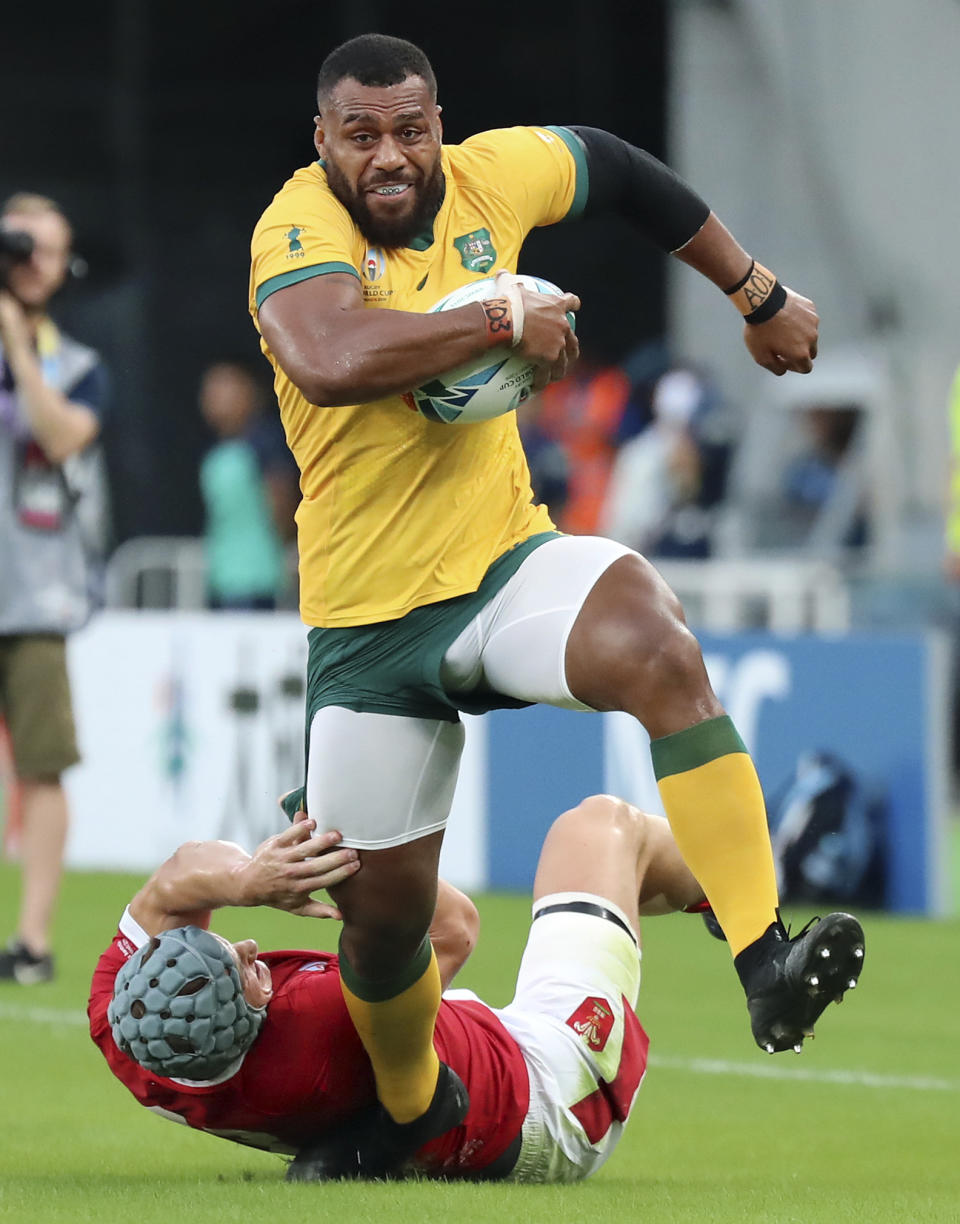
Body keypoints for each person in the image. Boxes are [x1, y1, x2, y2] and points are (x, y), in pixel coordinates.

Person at [248, 32, 857, 1165]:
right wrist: (494, 321)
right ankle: (406, 1113)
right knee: (385, 936)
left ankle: (766, 956)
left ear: (441, 124)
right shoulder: (297, 227)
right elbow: (328, 354)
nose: (391, 156)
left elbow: (622, 168)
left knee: (658, 647)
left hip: (502, 568)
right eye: (363, 135)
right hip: (370, 624)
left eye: (412, 130)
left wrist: (756, 288)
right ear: (324, 140)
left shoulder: (497, 174)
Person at [87, 797, 866, 1181]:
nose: (251, 942)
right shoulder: (319, 1024)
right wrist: (359, 866)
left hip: (474, 1070)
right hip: (546, 1092)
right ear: (258, 1007)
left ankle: (722, 915)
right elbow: (456, 927)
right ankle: (756, 938)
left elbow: (171, 880)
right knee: (600, 830)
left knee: (601, 873)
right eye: (247, 965)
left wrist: (248, 876)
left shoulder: (127, 1032)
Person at [0, 193, 109, 984]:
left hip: (34, 596)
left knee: (42, 765)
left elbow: (62, 434)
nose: (33, 263)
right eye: (20, 245)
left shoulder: (77, 365)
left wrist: (15, 340)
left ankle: (31, 941)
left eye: (48, 251)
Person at [198, 359, 299, 611]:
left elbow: (282, 501)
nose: (215, 396)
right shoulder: (217, 447)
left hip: (257, 577)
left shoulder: (266, 443)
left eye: (226, 387)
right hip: (222, 574)